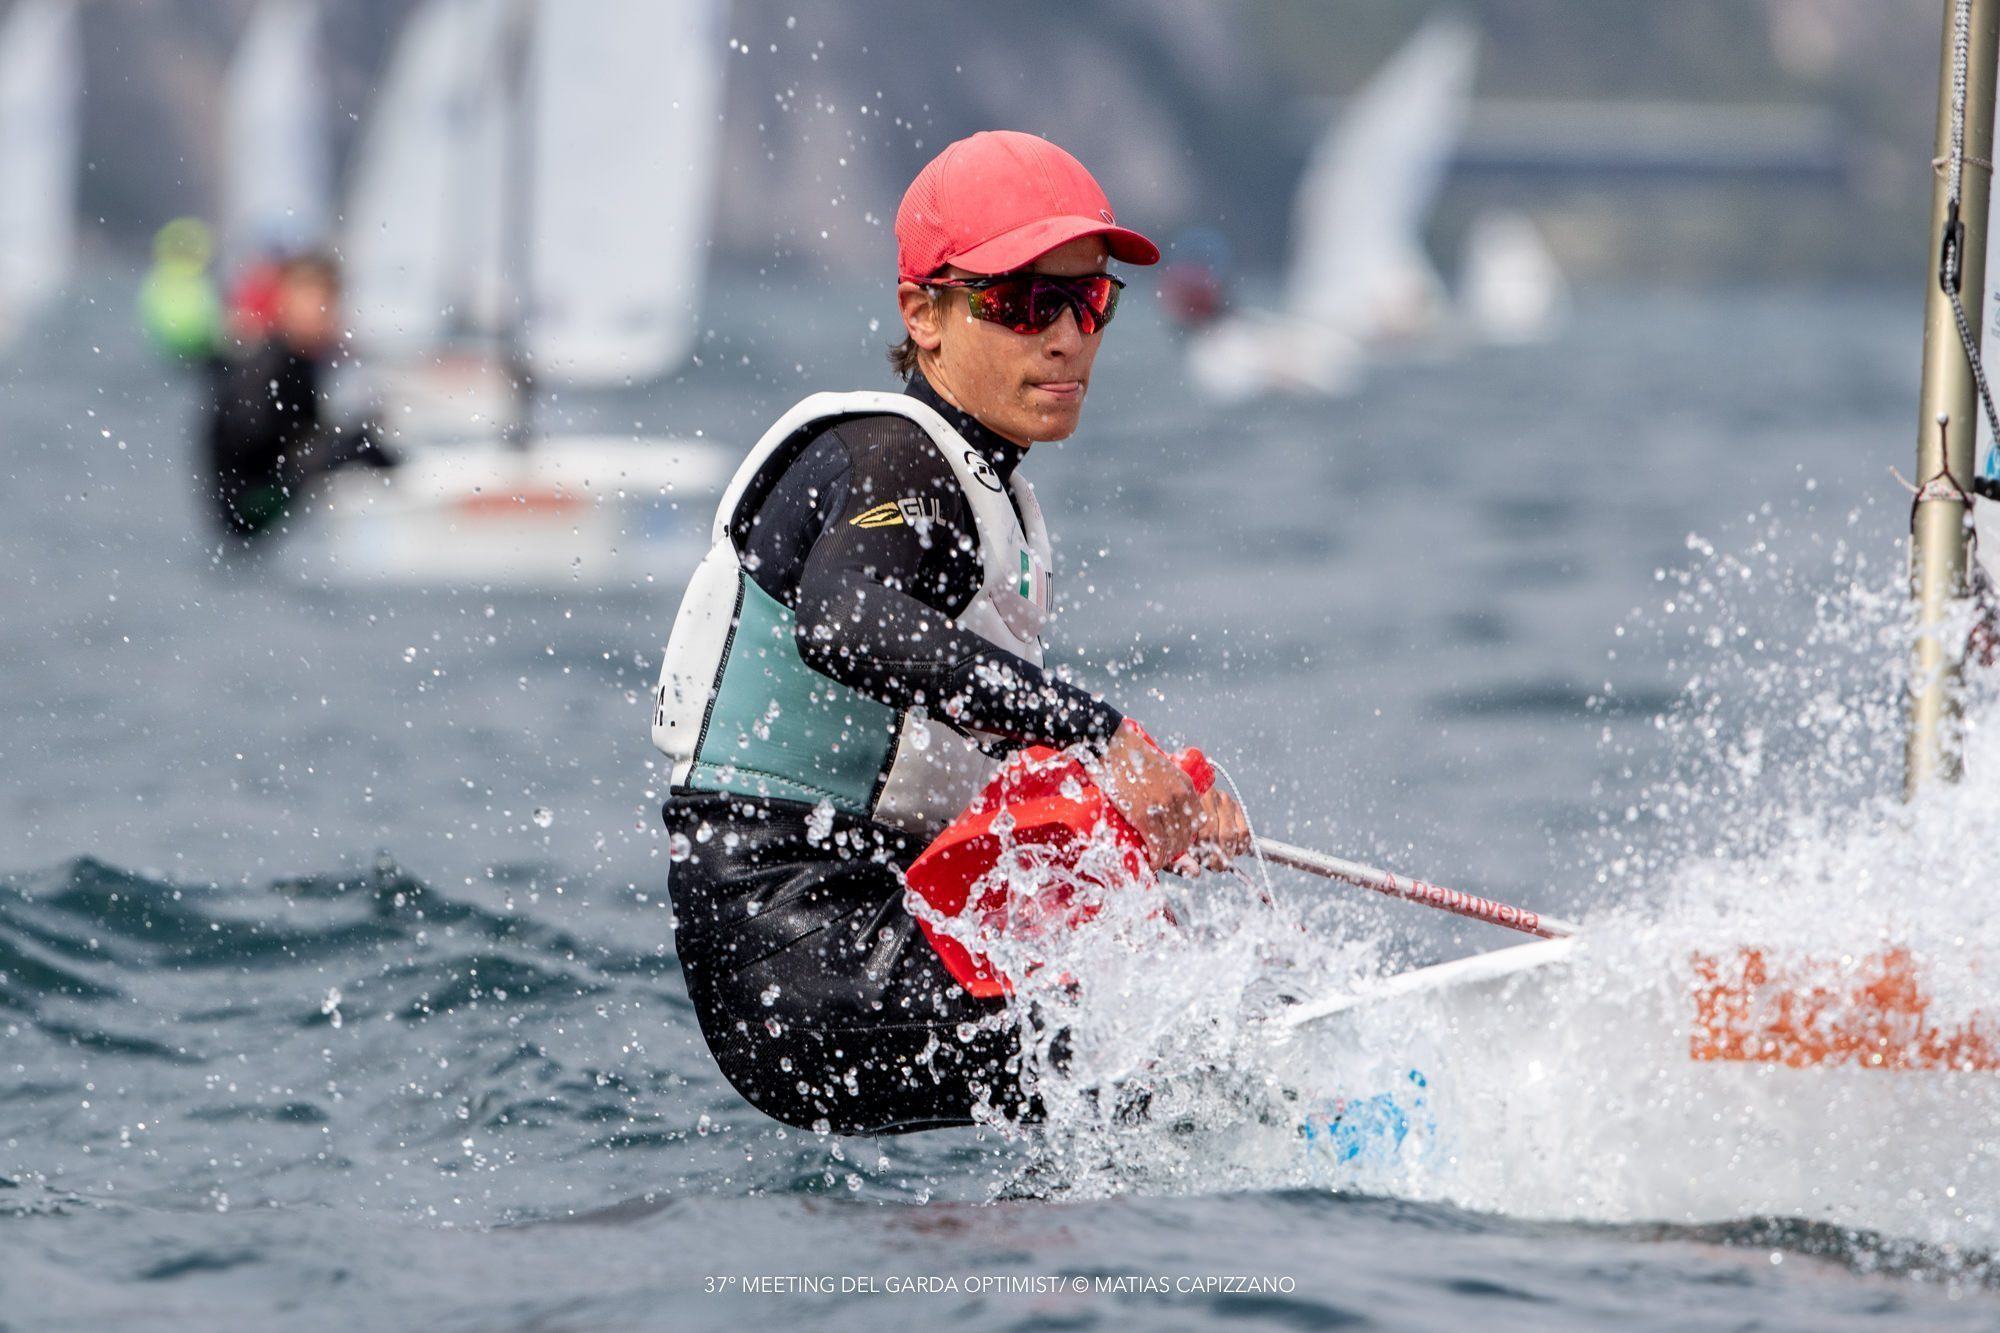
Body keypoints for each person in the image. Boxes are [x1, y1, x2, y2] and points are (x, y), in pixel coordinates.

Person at [651, 130, 1250, 1136]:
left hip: (872, 910)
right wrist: (1105, 737)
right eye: (1021, 302)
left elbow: (961, 757)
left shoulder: (986, 495)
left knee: (1171, 995)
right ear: (922, 314)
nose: (1063, 336)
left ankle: (983, 1278)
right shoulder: (888, 457)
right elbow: (848, 625)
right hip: (796, 945)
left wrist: (1148, 816)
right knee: (1171, 1067)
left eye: (1086, 300)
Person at [202, 253, 395, 538]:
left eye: (328, 304)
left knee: (355, 442)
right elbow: (249, 443)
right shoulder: (266, 365)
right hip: (251, 513)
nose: (323, 313)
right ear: (286, 303)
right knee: (358, 445)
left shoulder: (301, 361)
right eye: (315, 304)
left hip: (271, 499)